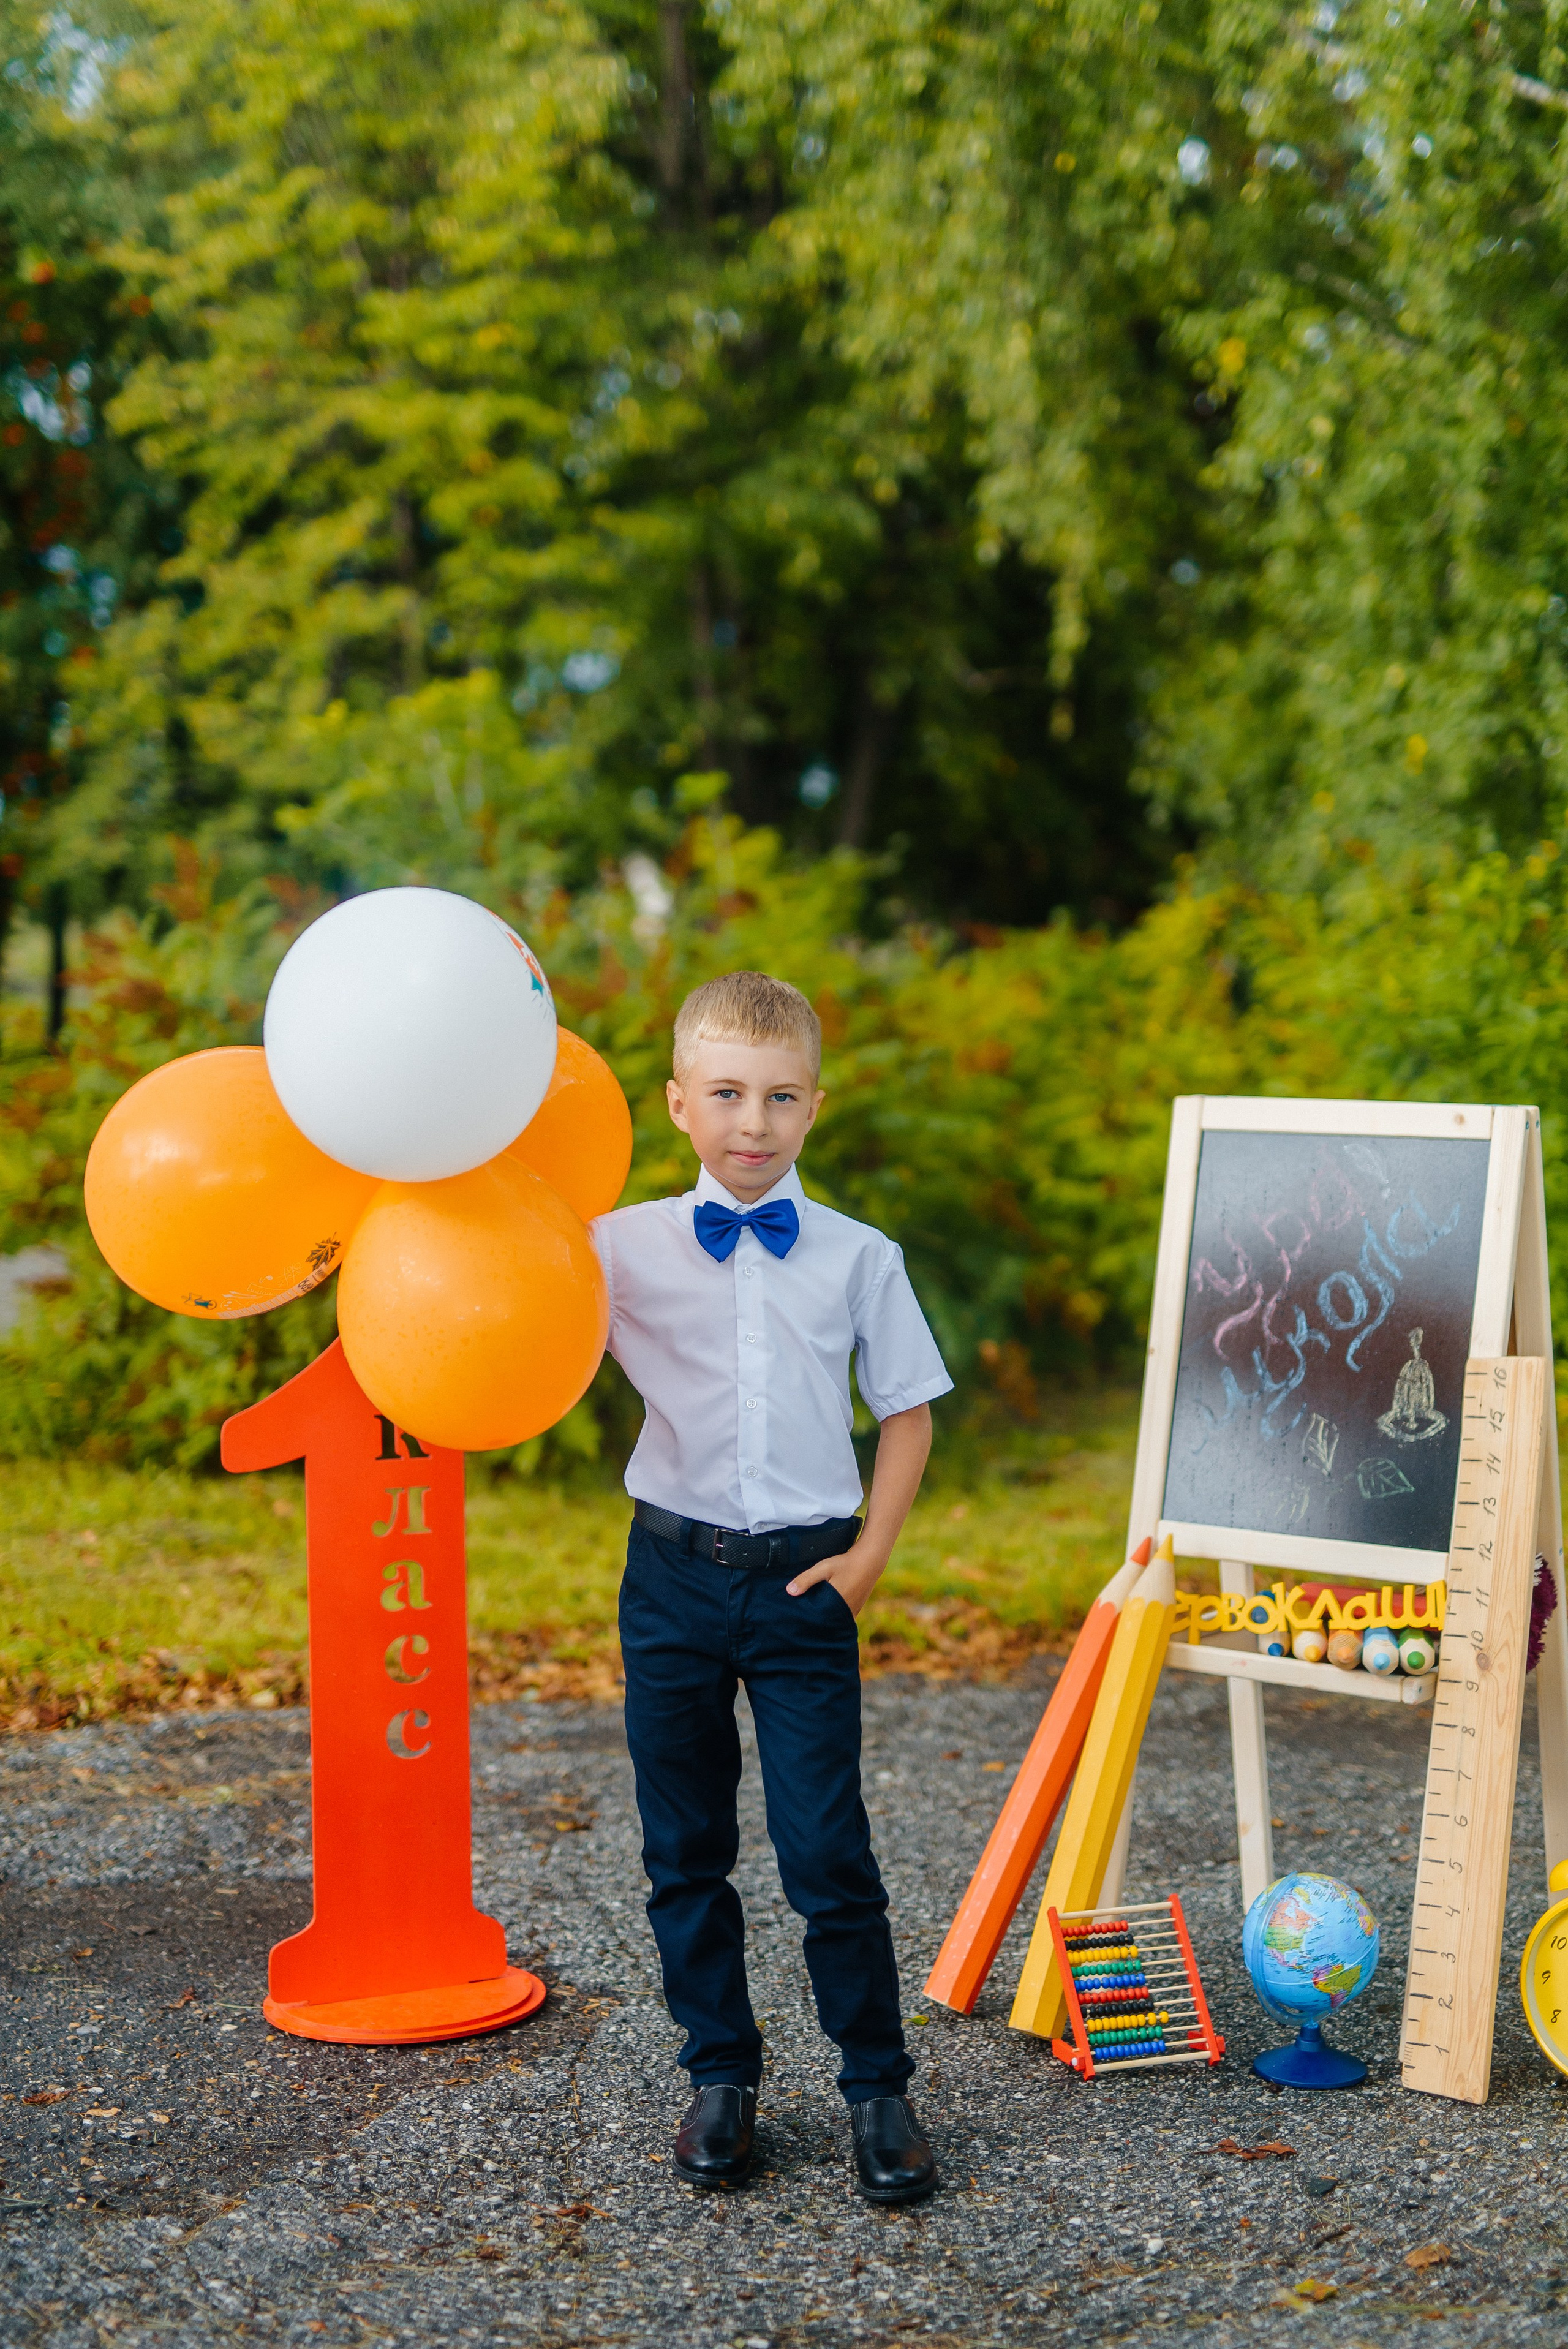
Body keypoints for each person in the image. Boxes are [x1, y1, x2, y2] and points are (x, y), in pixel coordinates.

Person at [590, 970, 953, 2202]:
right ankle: (720, 2078)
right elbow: (515, 1329)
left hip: (806, 1582)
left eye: (781, 1096)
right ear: (677, 1103)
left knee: (826, 1849)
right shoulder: (615, 1247)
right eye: (728, 1094)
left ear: (814, 1106)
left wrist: (868, 1558)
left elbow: (906, 1412)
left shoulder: (859, 1256)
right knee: (684, 1844)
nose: (754, 1121)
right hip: (670, 1578)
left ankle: (877, 2088)